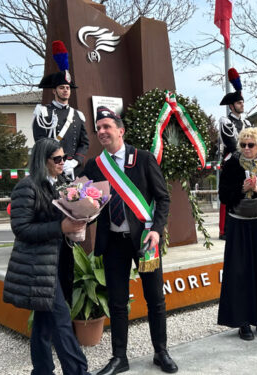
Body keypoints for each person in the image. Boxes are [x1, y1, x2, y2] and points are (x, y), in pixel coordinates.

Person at [81, 107, 176, 375]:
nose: (101, 131)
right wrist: (77, 216)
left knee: (155, 298)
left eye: (107, 127)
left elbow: (163, 198)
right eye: (98, 128)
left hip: (145, 241)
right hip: (113, 243)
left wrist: (157, 229)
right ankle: (119, 357)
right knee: (117, 301)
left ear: (120, 131)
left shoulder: (143, 159)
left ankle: (161, 352)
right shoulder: (94, 166)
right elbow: (89, 204)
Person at [2, 138, 91, 375]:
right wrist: (60, 228)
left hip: (59, 261)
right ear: (43, 160)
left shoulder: (62, 182)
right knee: (61, 320)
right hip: (37, 266)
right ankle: (78, 372)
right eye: (58, 159)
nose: (63, 163)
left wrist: (85, 215)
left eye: (64, 158)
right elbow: (21, 229)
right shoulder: (27, 187)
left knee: (43, 323)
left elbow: (69, 215)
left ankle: (41, 371)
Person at [217, 127, 257, 340]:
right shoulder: (230, 165)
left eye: (250, 145)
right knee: (239, 273)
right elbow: (224, 196)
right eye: (243, 144)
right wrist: (241, 188)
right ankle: (243, 322)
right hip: (238, 224)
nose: (246, 148)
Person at [33, 40, 89, 179]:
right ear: (54, 91)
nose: (65, 90)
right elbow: (40, 142)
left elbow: (84, 143)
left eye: (68, 88)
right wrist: (58, 161)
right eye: (62, 87)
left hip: (74, 170)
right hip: (52, 169)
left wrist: (75, 161)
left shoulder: (77, 115)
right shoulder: (43, 113)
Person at [218, 68, 251, 240]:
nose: (242, 105)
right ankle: (224, 229)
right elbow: (232, 144)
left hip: (247, 161)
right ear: (231, 106)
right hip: (232, 161)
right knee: (228, 195)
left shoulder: (247, 122)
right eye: (239, 103)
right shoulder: (225, 121)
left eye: (243, 103)